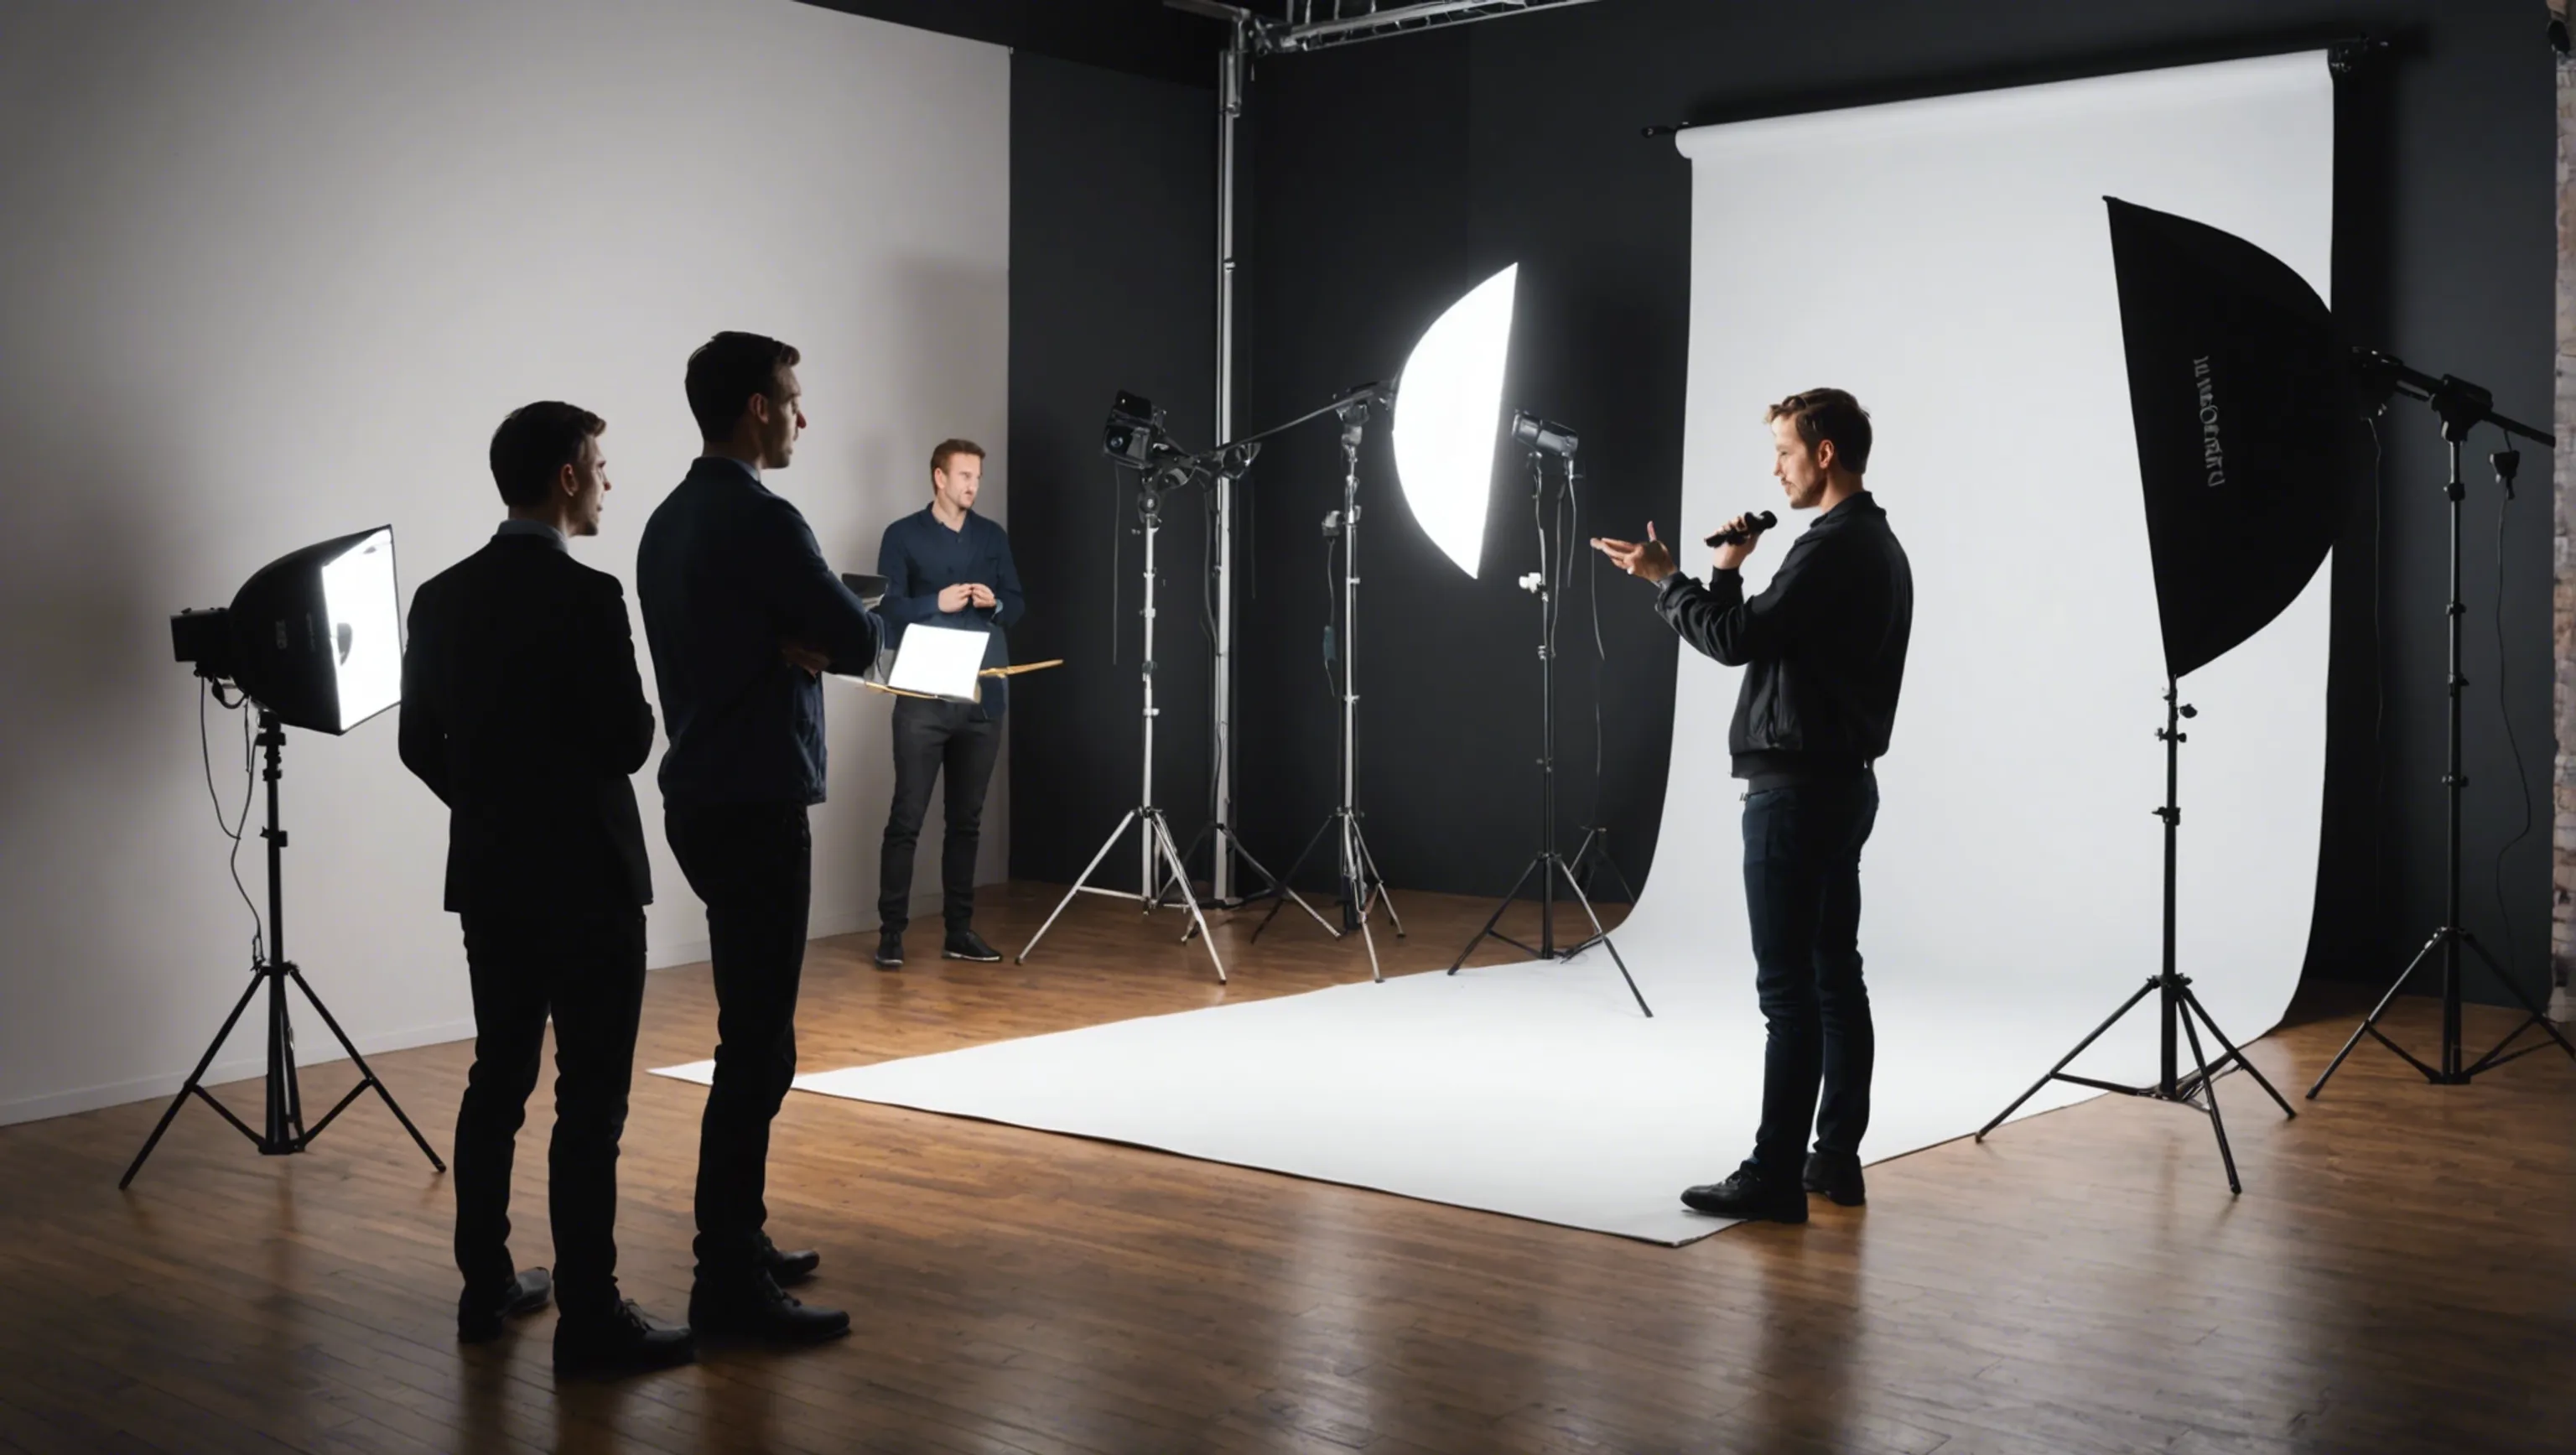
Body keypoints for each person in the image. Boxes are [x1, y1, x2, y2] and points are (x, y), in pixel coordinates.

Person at [399, 401, 696, 1375]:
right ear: (567, 477)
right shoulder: (591, 597)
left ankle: (484, 1286)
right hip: (590, 878)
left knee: (498, 1080)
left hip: (492, 877)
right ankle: (591, 1312)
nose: (609, 479)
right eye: (601, 465)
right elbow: (626, 741)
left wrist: (488, 803)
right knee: (591, 1101)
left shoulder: (440, 598)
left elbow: (416, 744)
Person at [1593, 387, 1913, 1224]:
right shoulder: (1875, 544)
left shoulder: (1832, 548)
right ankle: (1833, 1159)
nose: (1776, 467)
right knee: (1833, 974)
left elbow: (1733, 643)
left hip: (1796, 793)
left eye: (1784, 450)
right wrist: (1725, 572)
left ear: (1826, 452)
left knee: (1790, 992)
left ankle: (1774, 1173)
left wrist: (1668, 581)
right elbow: (1756, 640)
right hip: (1841, 785)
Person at [637, 333, 881, 1343]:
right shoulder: (767, 518)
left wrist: (786, 635)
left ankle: (741, 1239)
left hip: (697, 793)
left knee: (751, 1034)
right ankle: (728, 1275)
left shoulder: (662, 521)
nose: (801, 415)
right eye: (789, 398)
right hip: (757, 798)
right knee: (758, 1047)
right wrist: (808, 634)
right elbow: (861, 641)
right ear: (753, 408)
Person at [870, 439, 1025, 969]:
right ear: (939, 477)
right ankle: (891, 934)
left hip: (983, 695)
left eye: (977, 477)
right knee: (907, 817)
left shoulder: (991, 536)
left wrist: (996, 601)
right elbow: (884, 610)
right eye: (963, 476)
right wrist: (933, 603)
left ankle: (959, 931)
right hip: (923, 695)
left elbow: (1018, 604)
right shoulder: (902, 535)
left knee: (967, 821)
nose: (972, 486)